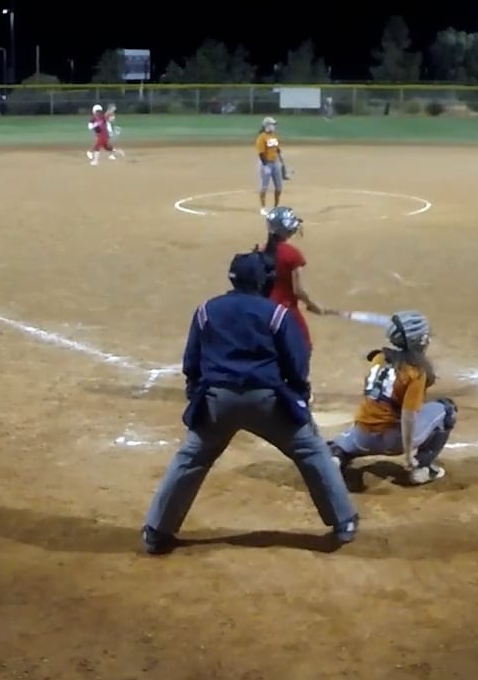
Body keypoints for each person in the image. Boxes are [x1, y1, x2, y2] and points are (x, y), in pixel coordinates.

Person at [140, 251, 358, 554]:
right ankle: (343, 522)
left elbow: (192, 362)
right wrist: (297, 396)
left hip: (217, 401)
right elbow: (296, 362)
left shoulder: (206, 310)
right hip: (267, 401)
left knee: (191, 458)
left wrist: (199, 396)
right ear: (262, 281)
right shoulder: (276, 313)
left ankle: (156, 531)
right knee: (311, 450)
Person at [329, 311, 457, 485]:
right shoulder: (415, 372)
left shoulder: (378, 358)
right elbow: (408, 416)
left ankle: (336, 460)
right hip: (393, 441)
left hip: (362, 437)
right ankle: (422, 468)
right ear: (418, 341)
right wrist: (408, 454)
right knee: (447, 409)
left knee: (338, 445)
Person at [262, 206, 330, 348]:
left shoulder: (261, 249)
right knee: (303, 346)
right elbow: (298, 290)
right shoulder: (292, 254)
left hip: (263, 308)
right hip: (286, 311)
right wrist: (313, 305)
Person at [255, 116, 288, 209]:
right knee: (264, 187)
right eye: (272, 124)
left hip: (275, 163)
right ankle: (263, 208)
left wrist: (281, 159)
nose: (274, 126)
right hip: (266, 164)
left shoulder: (274, 136)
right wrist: (265, 166)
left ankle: (276, 206)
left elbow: (277, 149)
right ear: (267, 126)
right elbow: (261, 153)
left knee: (279, 187)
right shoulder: (261, 138)